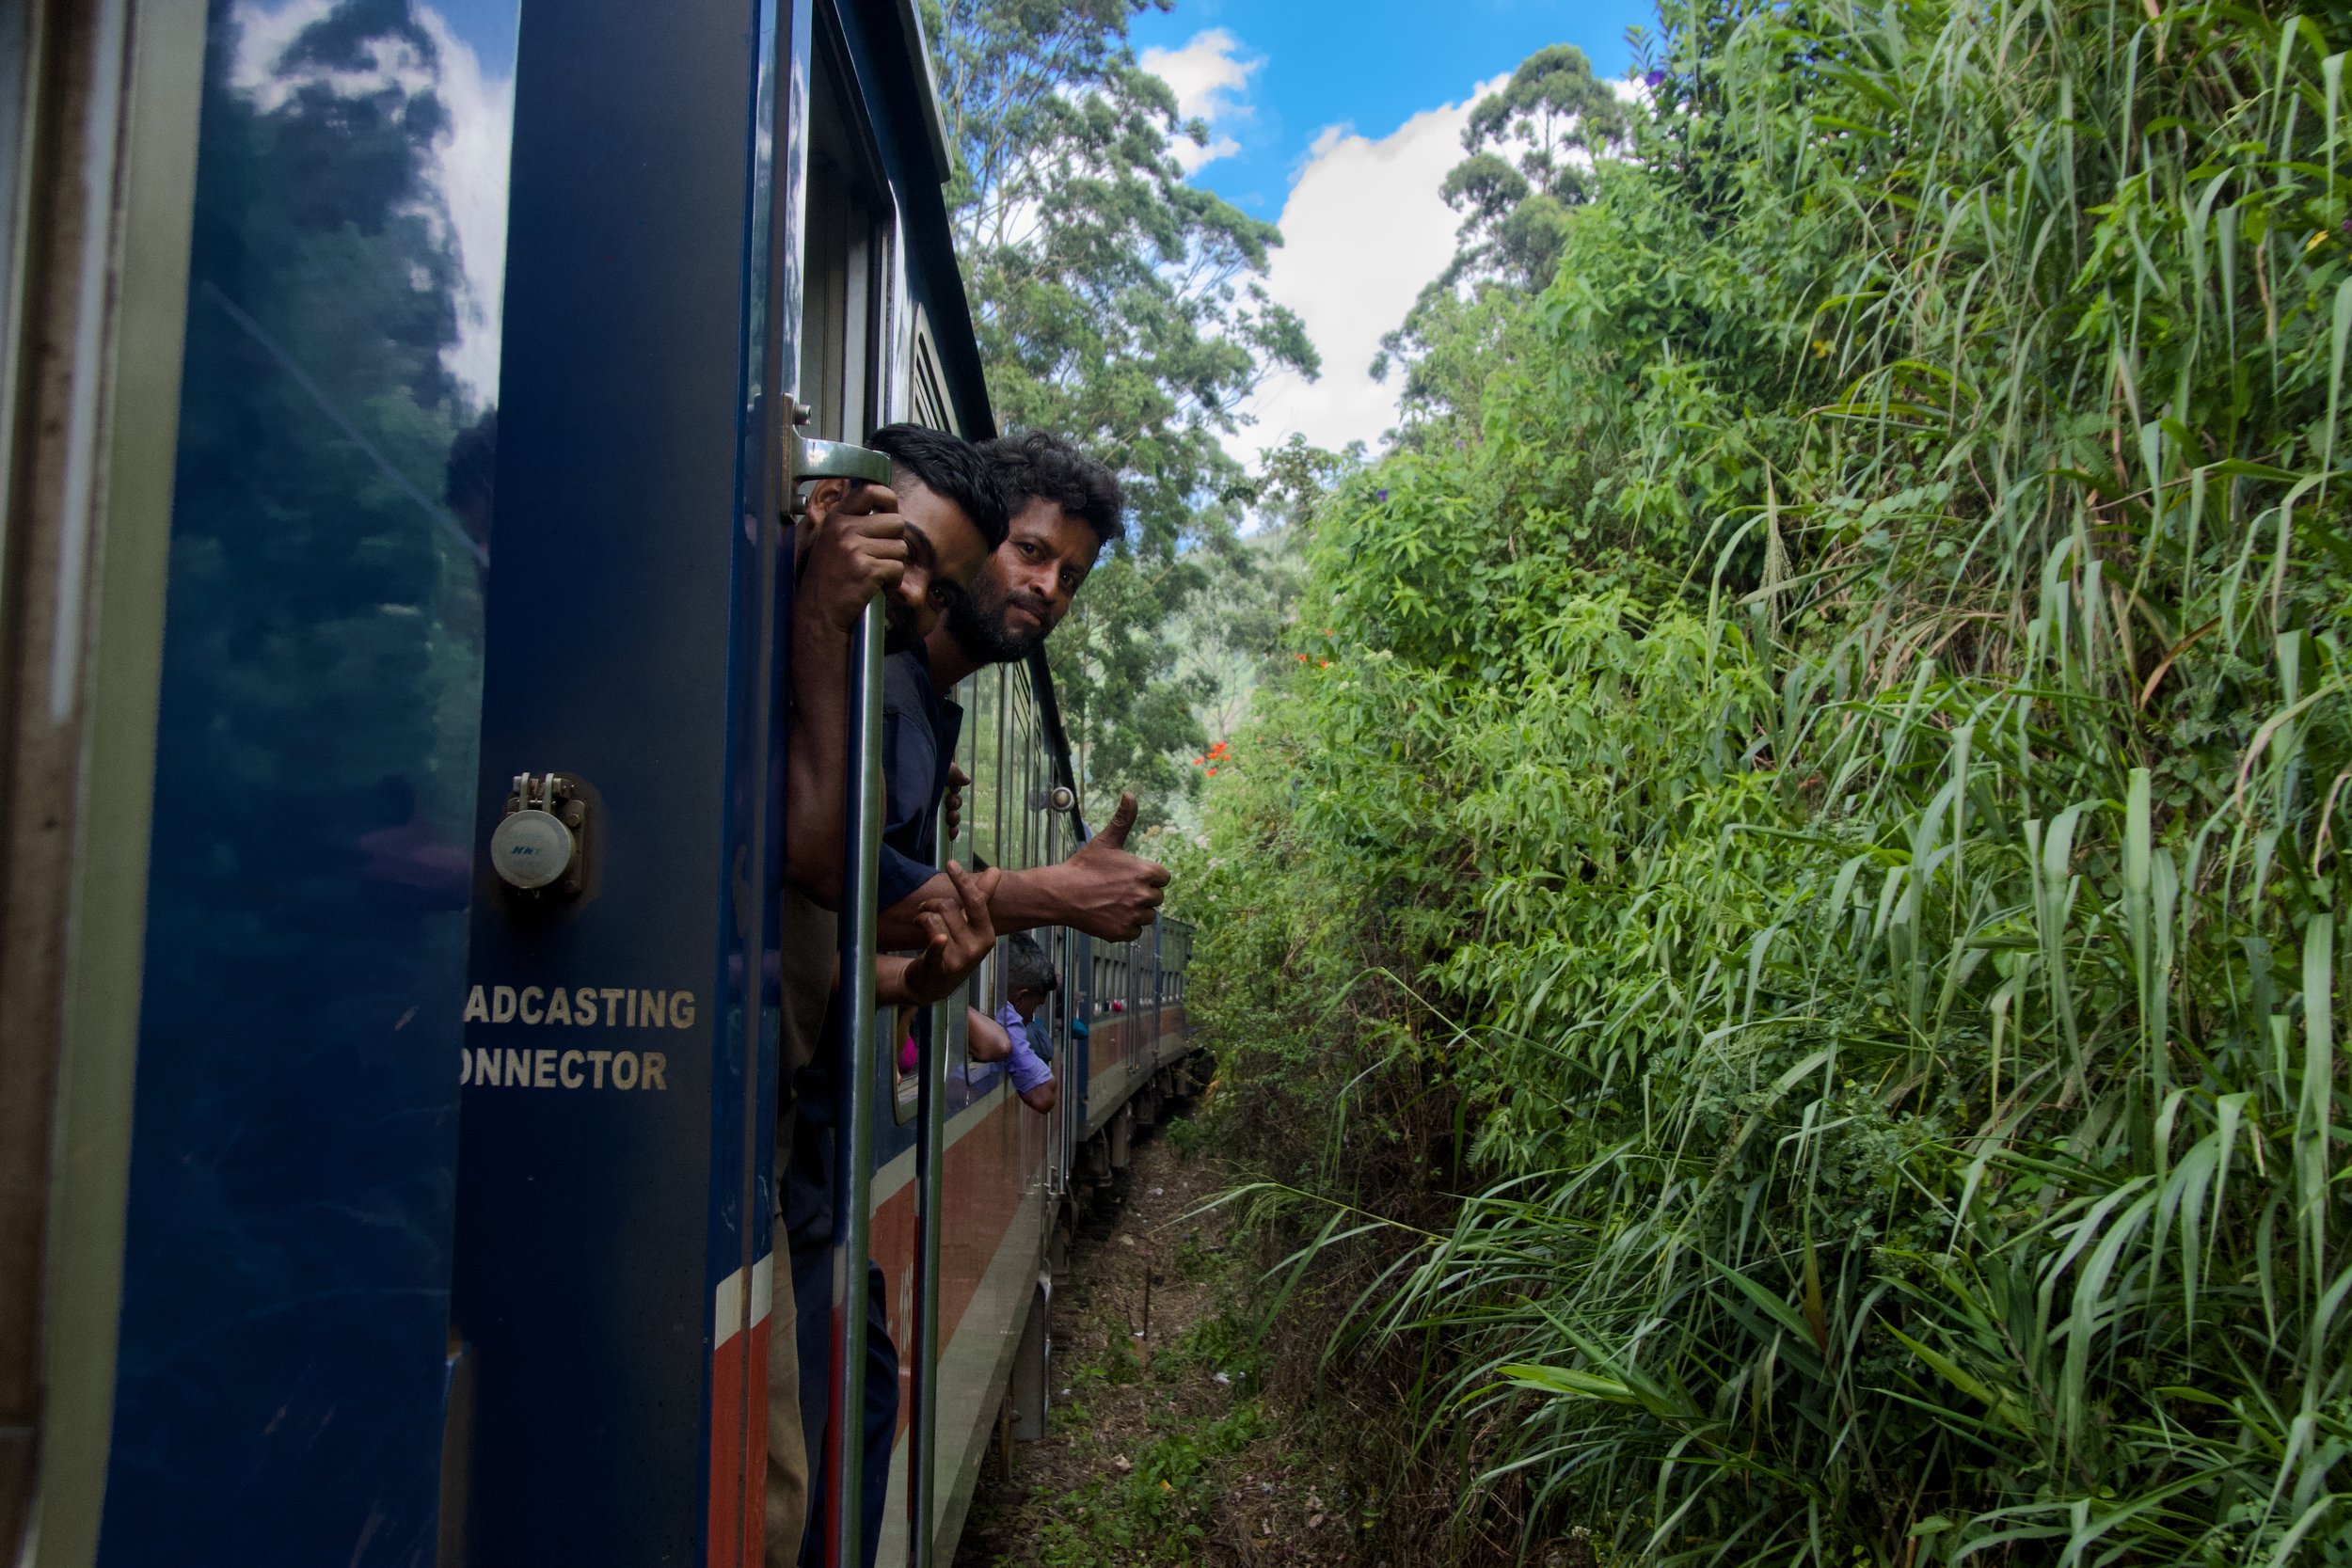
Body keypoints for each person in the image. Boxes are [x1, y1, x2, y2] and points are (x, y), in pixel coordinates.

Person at [772, 423, 1008, 1567]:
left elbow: (821, 930)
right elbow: (823, 861)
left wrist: (920, 978)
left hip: (798, 1151)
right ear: (829, 498)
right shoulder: (800, 641)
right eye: (905, 550)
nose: (917, 593)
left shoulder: (865, 671)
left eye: (938, 581)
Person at [877, 430, 1170, 955]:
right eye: (1031, 550)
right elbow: (849, 896)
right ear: (974, 536)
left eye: (1072, 578)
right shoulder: (891, 690)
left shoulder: (917, 702)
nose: (1050, 587)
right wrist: (1059, 892)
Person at [963, 933, 1061, 1114]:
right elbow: (1042, 1096)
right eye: (1035, 1006)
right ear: (1020, 998)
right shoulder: (1005, 1017)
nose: (1031, 1018)